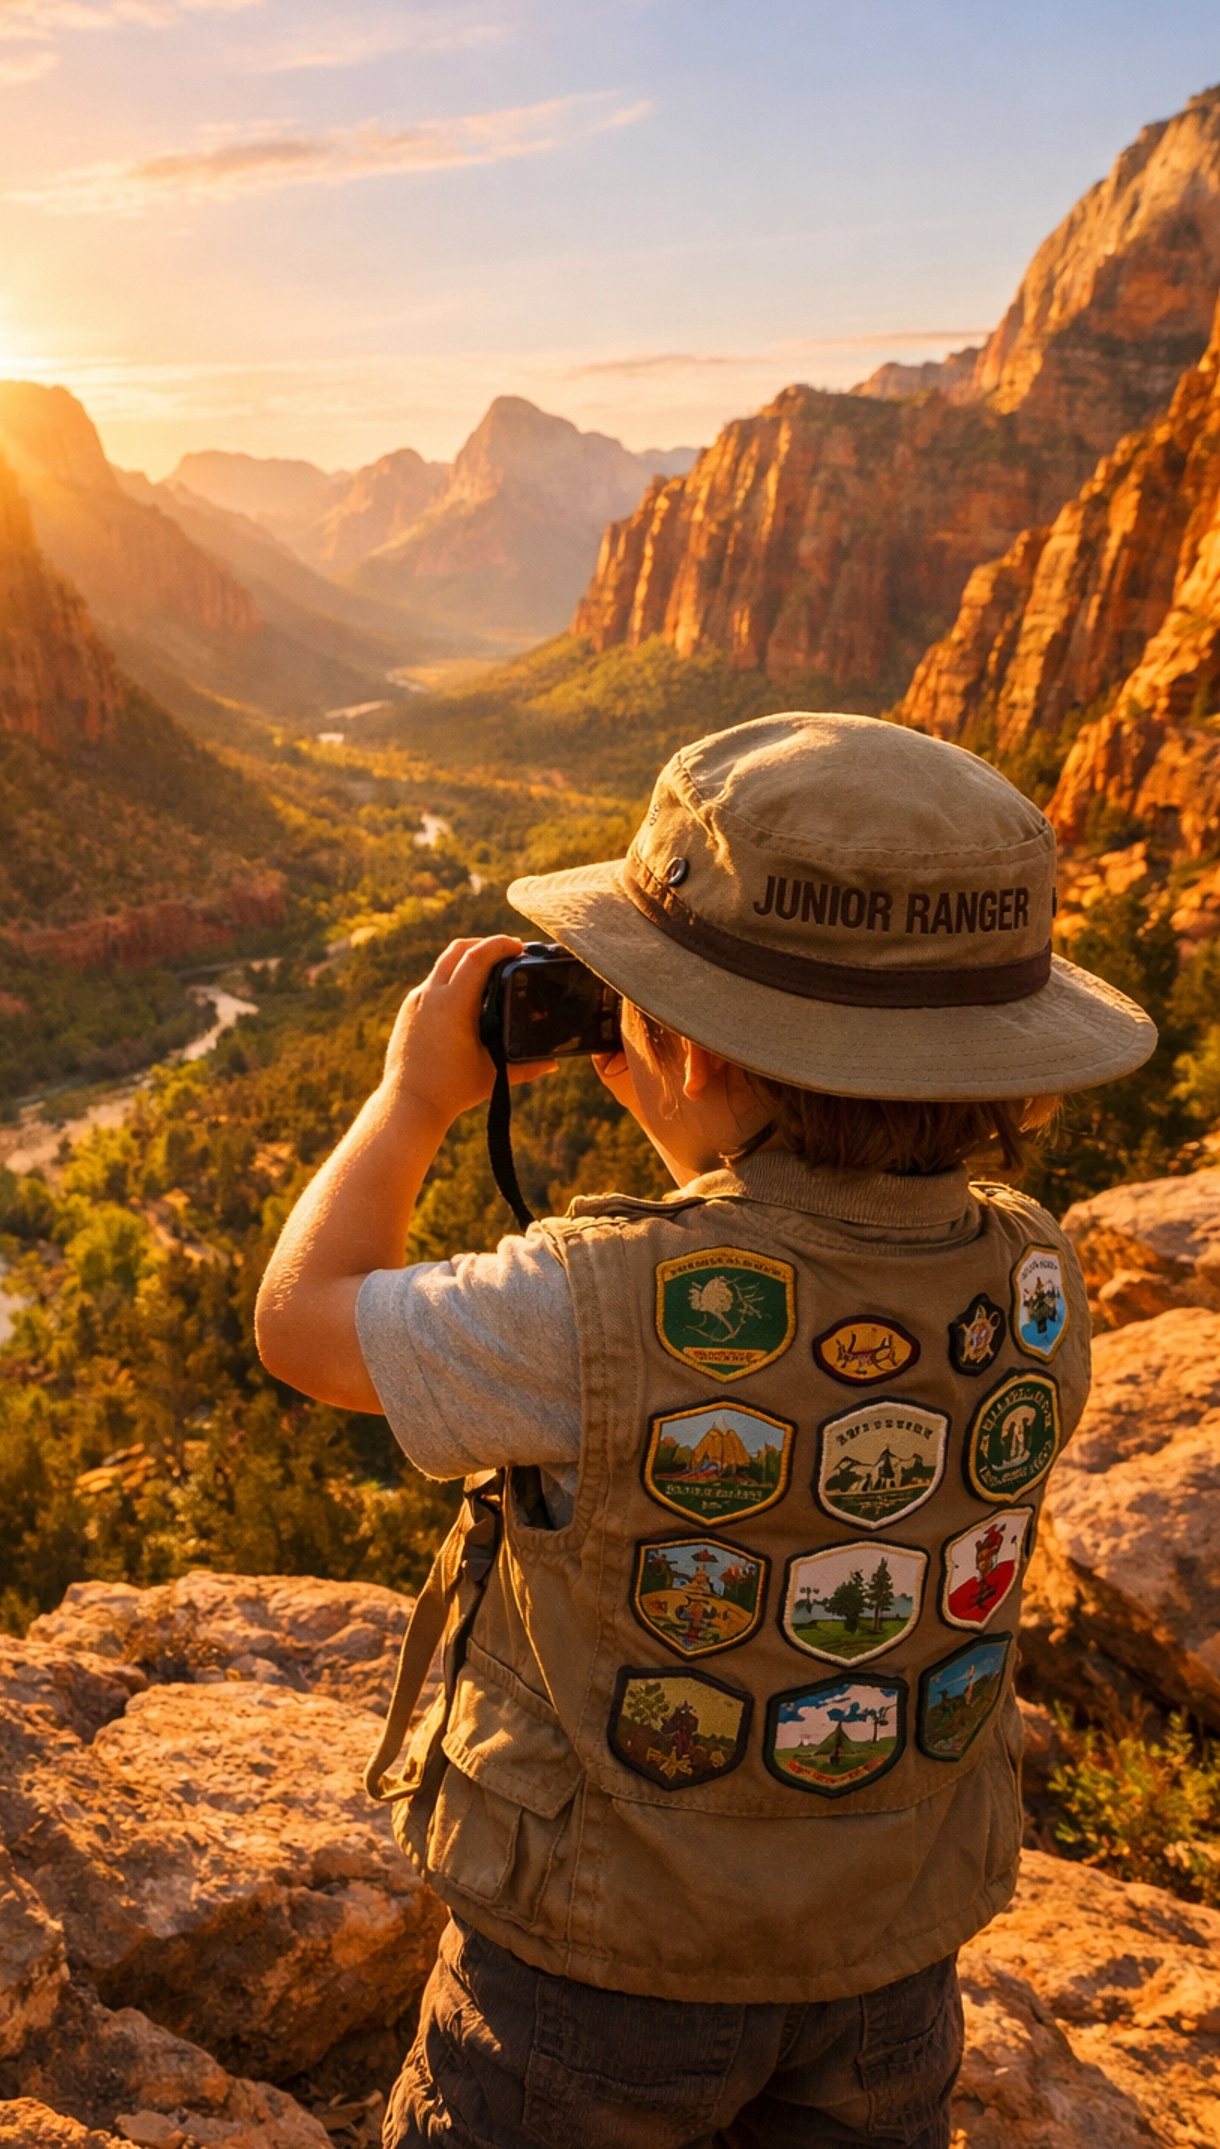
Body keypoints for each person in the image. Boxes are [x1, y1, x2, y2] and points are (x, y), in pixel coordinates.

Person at [255, 713, 1156, 2149]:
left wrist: (413, 1097)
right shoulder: (1040, 1278)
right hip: (887, 1949)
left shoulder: (590, 1300)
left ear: (682, 1045)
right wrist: (694, 1096)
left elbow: (302, 1320)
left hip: (591, 1972)